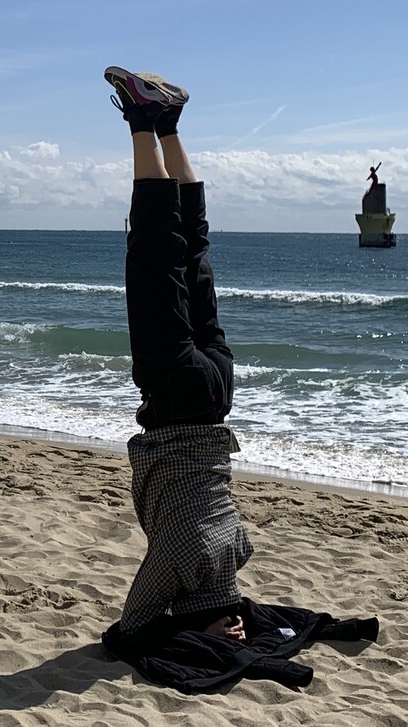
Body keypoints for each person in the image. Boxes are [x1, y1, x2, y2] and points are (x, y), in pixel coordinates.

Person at [103, 66, 253, 642]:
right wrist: (197, 634)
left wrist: (213, 615)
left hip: (220, 392)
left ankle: (170, 124)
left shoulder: (235, 553)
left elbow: (211, 551)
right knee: (155, 254)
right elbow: (132, 626)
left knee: (193, 252)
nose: (236, 630)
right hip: (179, 395)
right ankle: (144, 121)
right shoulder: (180, 562)